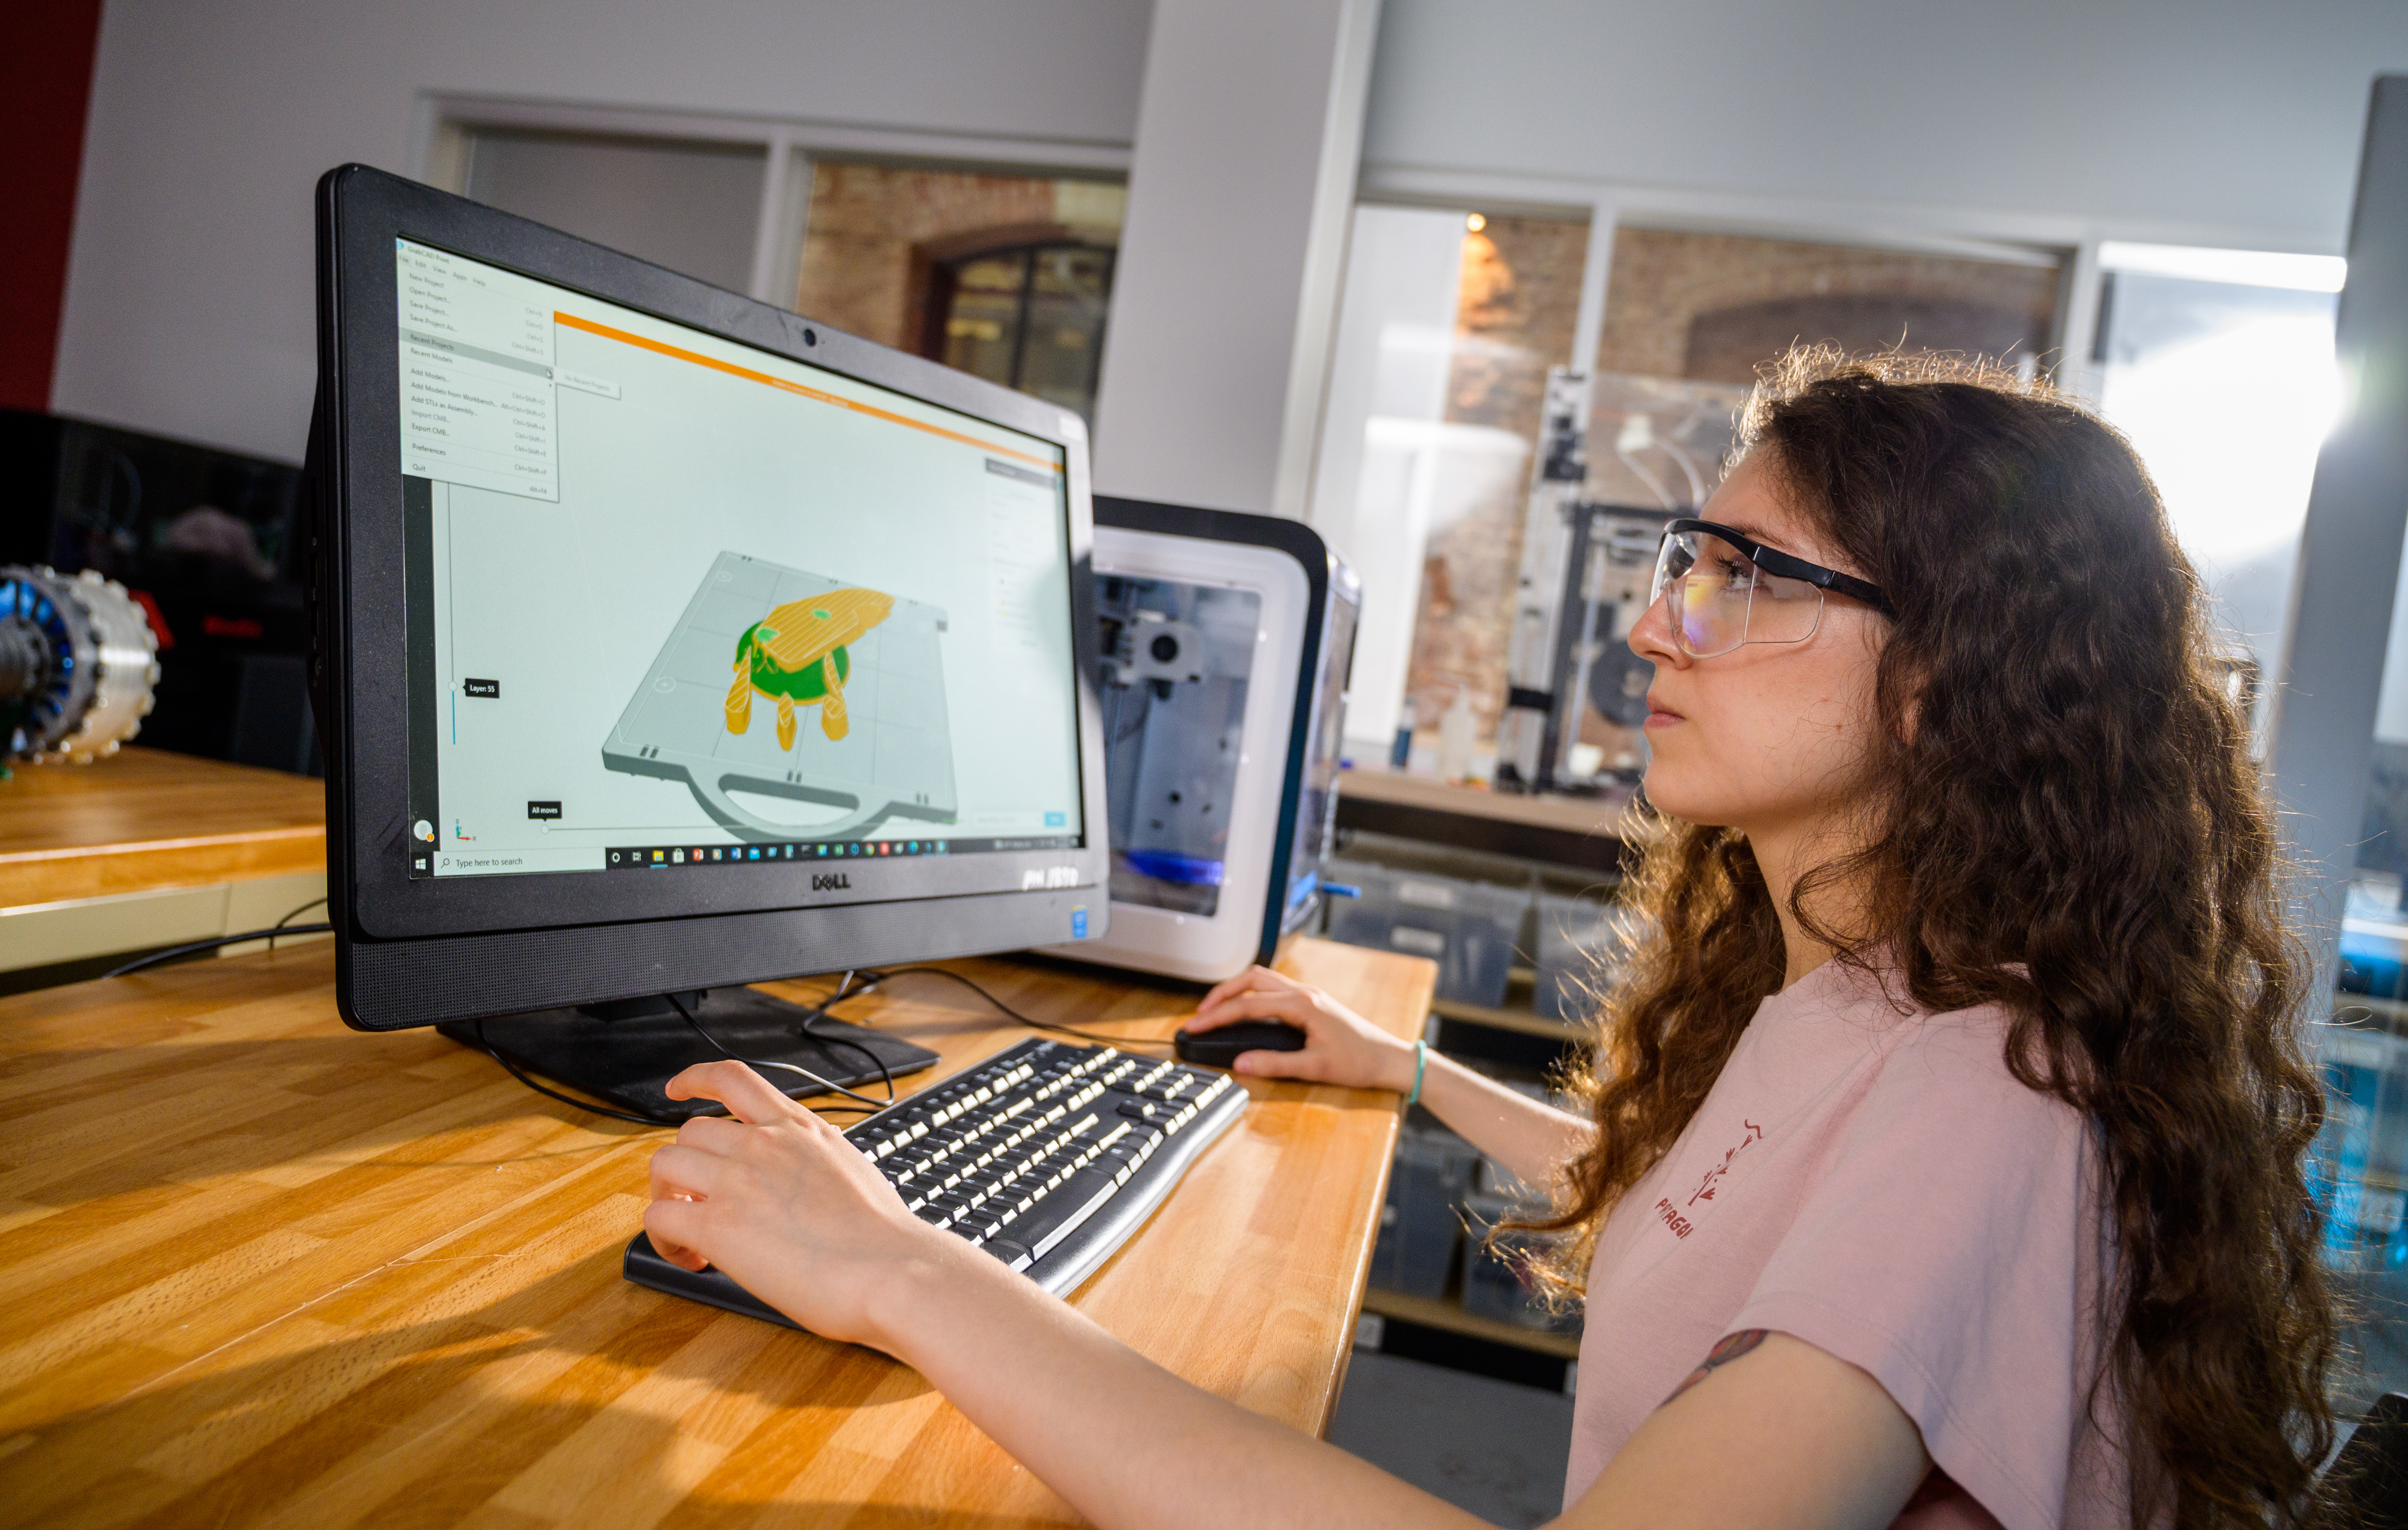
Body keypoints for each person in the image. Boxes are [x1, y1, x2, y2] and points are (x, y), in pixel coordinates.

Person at [641, 348, 2337, 1530]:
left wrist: (903, 1269)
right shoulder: (1876, 991)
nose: (1653, 627)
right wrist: (1405, 1070)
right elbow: (1720, 1206)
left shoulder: (1988, 1103)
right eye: (1682, 564)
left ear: (1944, 673)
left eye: (1743, 577)